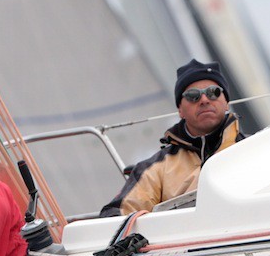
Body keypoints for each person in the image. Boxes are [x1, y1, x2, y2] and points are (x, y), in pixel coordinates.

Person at [101, 59, 246, 216]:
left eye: (214, 92)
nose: (204, 100)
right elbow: (116, 216)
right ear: (180, 110)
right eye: (193, 96)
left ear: (226, 103)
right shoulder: (156, 168)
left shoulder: (254, 149)